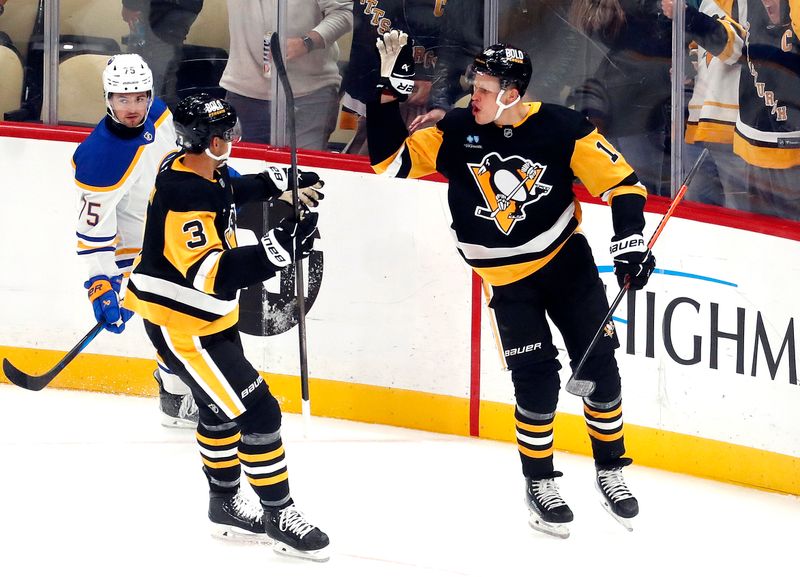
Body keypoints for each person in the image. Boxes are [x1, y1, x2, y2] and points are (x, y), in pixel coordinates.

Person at [368, 32, 654, 538]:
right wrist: (389, 91)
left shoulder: (562, 127)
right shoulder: (456, 129)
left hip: (568, 269)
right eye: (473, 85)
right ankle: (539, 483)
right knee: (537, 386)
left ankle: (611, 470)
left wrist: (630, 242)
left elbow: (623, 183)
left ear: (511, 93)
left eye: (482, 87)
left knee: (600, 371)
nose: (471, 95)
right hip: (507, 285)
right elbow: (389, 164)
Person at [123, 93, 330, 560]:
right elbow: (210, 273)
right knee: (259, 413)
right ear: (206, 140)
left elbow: (231, 188)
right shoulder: (183, 196)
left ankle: (225, 506)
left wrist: (279, 182)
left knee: (219, 411)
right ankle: (279, 513)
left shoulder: (193, 166)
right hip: (186, 327)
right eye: (224, 136)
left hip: (205, 319)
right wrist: (277, 249)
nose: (231, 141)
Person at [73, 53, 199, 428]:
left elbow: (179, 153)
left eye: (140, 97)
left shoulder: (159, 114)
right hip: (139, 247)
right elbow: (92, 229)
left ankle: (177, 389)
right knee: (175, 317)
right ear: (107, 99)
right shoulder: (98, 157)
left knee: (189, 314)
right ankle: (177, 396)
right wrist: (101, 281)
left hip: (174, 228)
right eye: (123, 99)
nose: (134, 107)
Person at [664, 0, 800, 220]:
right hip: (717, 129)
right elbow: (698, 51)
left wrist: (691, 18)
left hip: (744, 134)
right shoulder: (714, 3)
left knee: (745, 214)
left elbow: (734, 46)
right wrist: (687, 67)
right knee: (711, 214)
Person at [219, 0, 352, 150]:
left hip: (309, 93)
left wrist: (306, 42)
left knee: (302, 168)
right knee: (243, 168)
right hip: (244, 91)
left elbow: (345, 12)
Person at [341, 0, 447, 154]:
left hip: (424, 104)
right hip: (374, 94)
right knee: (365, 164)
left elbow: (467, 45)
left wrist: (439, 86)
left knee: (417, 166)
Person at [121, 1, 205, 110]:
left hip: (158, 9)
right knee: (164, 73)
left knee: (146, 75)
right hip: (183, 9)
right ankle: (163, 114)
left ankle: (150, 115)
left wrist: (130, 4)